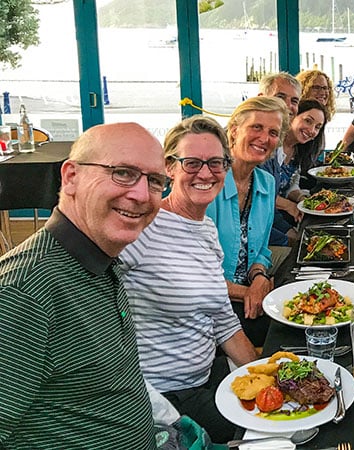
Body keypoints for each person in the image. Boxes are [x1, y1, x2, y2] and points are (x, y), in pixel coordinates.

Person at [0, 123, 165, 448]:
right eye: (122, 173)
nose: (142, 195)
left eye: (156, 181)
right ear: (71, 177)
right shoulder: (23, 293)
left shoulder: (99, 261)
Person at [119, 116, 259, 443]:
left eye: (216, 163)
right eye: (192, 163)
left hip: (206, 376)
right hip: (165, 399)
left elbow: (223, 320)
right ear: (169, 167)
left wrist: (267, 378)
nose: (206, 173)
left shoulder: (205, 230)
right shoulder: (143, 229)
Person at [206, 96, 290, 347]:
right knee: (286, 336)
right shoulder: (207, 183)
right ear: (233, 131)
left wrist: (260, 276)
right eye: (256, 127)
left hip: (248, 295)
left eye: (273, 132)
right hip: (214, 305)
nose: (264, 138)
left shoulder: (266, 182)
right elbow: (196, 275)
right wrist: (248, 292)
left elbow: (261, 251)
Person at [258, 72, 304, 244]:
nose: (287, 105)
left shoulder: (275, 147)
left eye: (294, 101)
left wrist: (292, 235)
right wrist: (290, 241)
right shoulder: (255, 148)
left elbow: (267, 210)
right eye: (280, 97)